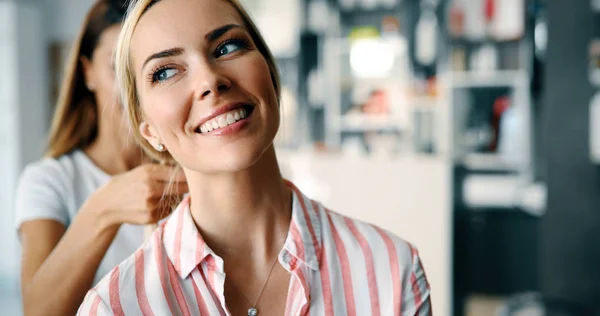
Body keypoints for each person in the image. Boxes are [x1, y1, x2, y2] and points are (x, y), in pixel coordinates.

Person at [78, 0, 432, 314]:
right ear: (150, 131)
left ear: (271, 75)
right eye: (165, 71)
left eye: (227, 47)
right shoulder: (114, 306)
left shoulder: (392, 270)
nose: (210, 80)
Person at [14, 1, 187, 315]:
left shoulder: (192, 170)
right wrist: (105, 207)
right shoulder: (49, 181)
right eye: (116, 67)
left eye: (151, 70)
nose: (134, 88)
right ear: (86, 72)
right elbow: (38, 310)